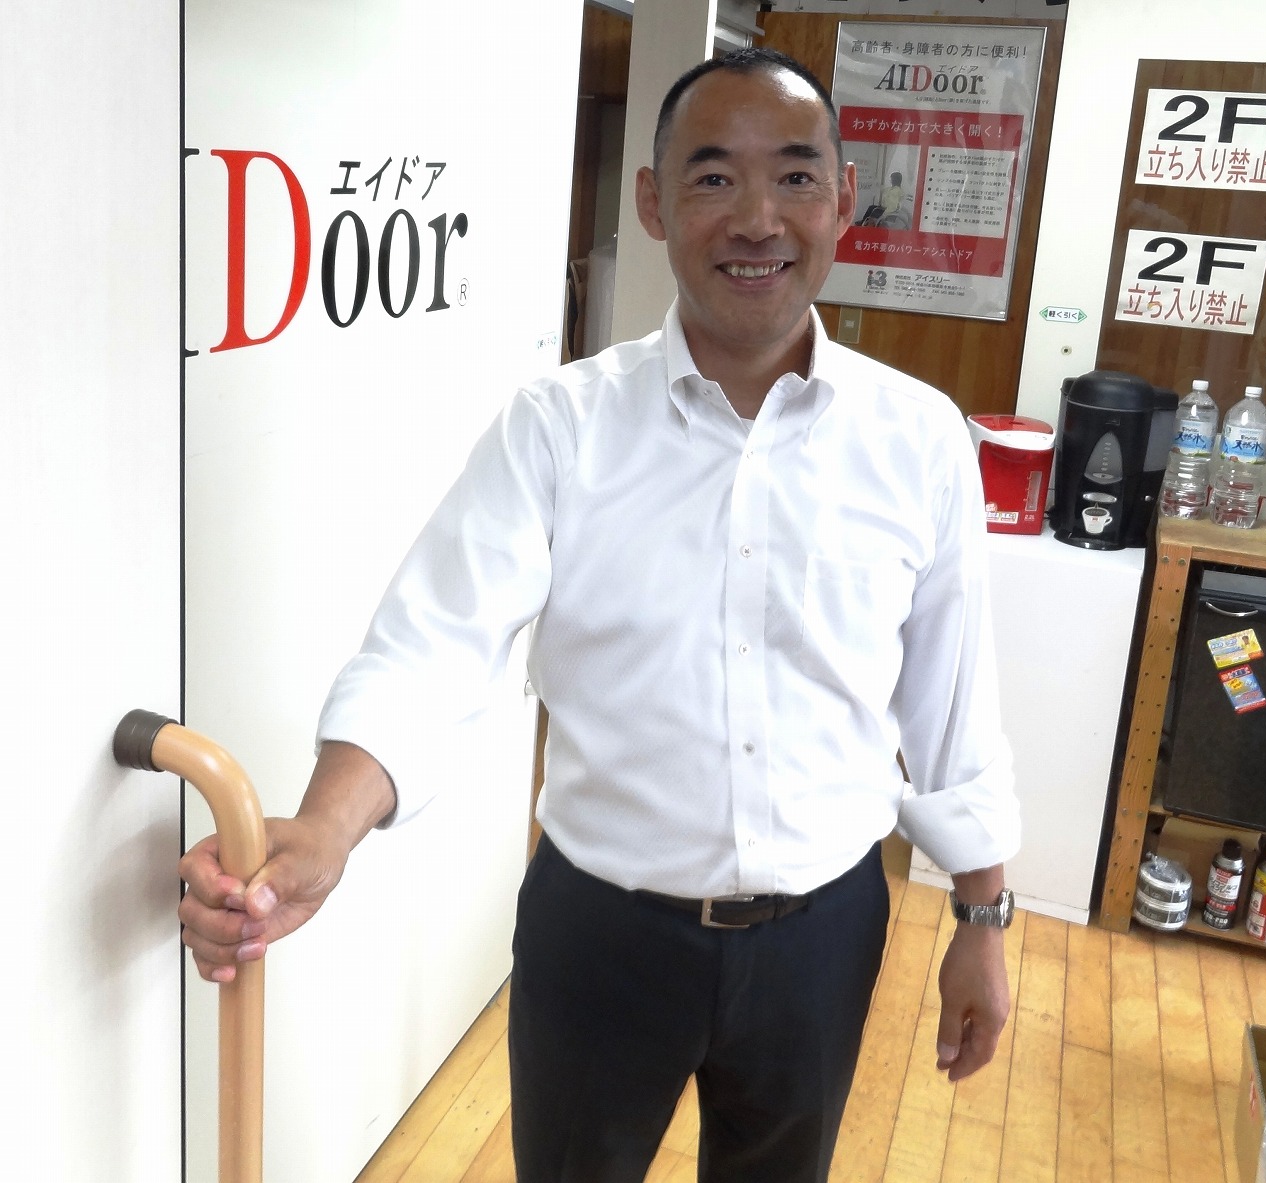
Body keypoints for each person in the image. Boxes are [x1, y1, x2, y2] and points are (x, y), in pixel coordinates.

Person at [178, 47, 1019, 1183]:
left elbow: (952, 702)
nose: (756, 218)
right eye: (713, 178)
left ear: (843, 197)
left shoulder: (917, 438)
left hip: (822, 936)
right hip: (602, 930)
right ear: (654, 203)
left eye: (795, 177)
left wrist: (982, 920)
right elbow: (432, 645)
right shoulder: (560, 426)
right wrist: (325, 829)